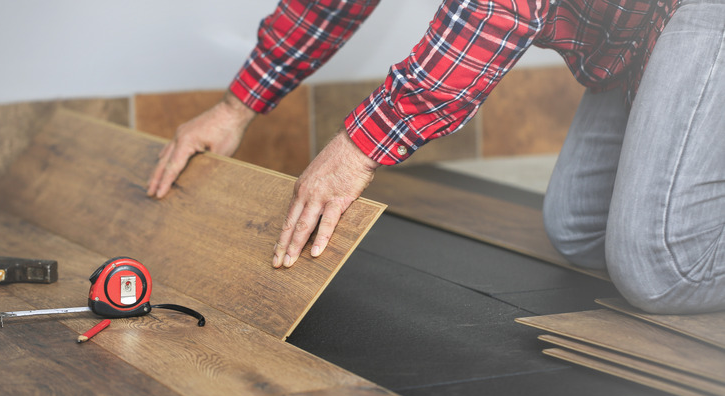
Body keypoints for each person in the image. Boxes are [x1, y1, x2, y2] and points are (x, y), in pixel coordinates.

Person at [147, 0, 725, 314]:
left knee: (660, 273)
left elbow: (495, 13)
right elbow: (327, 4)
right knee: (577, 231)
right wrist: (234, 108)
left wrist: (356, 150)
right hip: (640, 22)